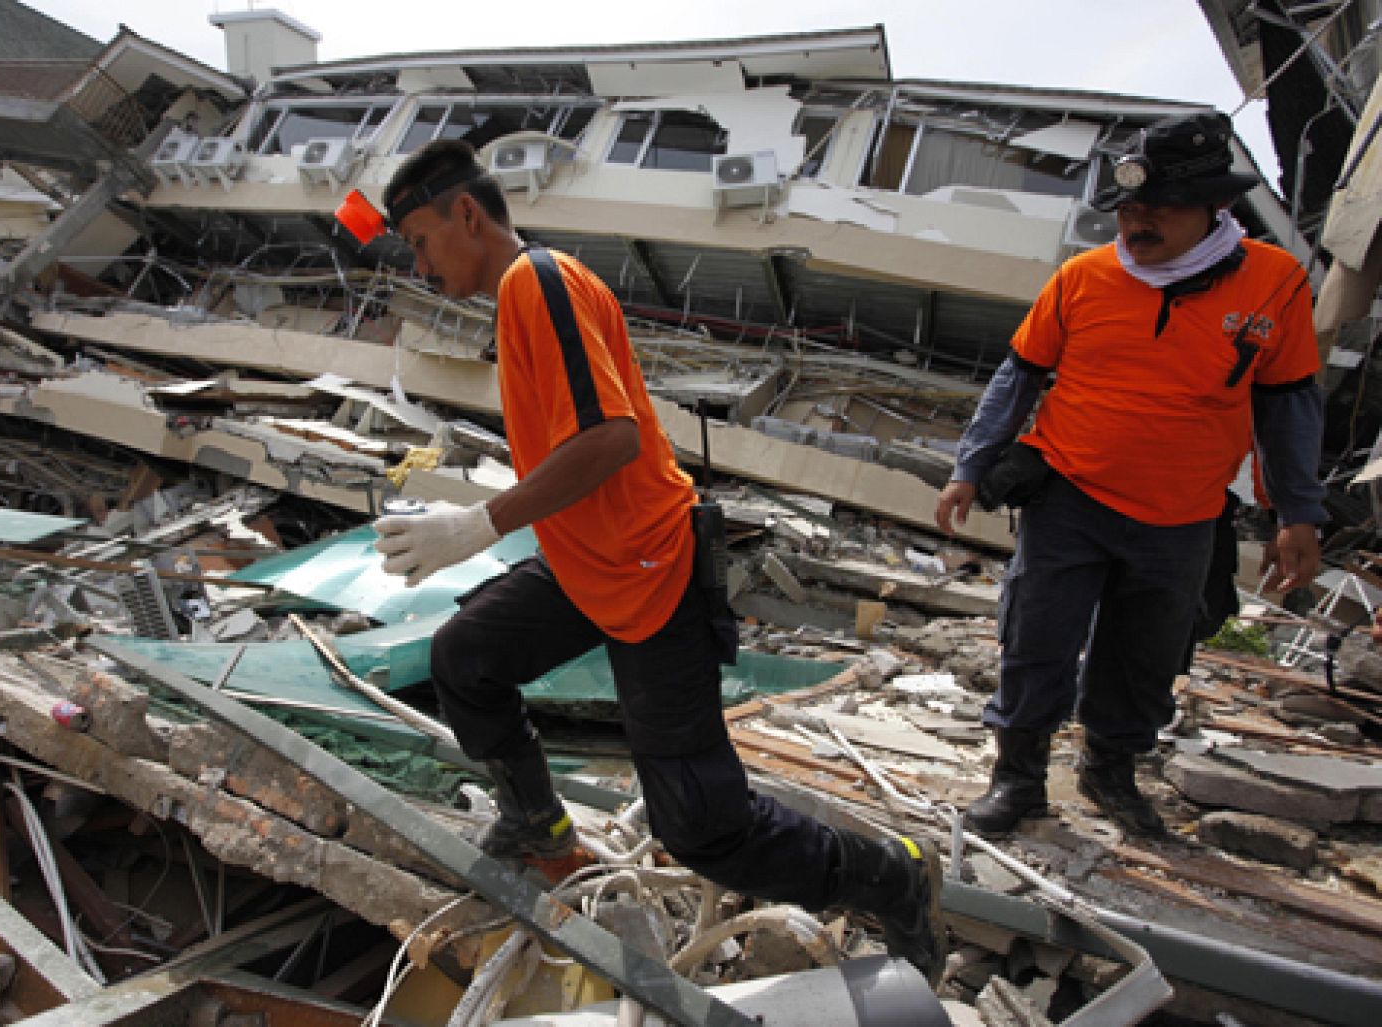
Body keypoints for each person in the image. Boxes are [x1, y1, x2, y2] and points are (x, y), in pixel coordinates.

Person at [370, 139, 946, 983]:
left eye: (420, 240)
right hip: (589, 564)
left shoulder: (540, 282)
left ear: (466, 212)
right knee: (467, 655)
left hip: (651, 570)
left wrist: (480, 525)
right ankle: (542, 829)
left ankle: (892, 874)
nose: (418, 265)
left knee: (706, 828)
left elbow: (610, 439)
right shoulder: (522, 299)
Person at [934, 111, 1327, 839]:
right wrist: (970, 467)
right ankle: (1018, 779)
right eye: (1129, 208)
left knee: (1143, 656)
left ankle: (1109, 771)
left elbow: (1288, 405)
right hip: (1071, 496)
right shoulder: (1083, 278)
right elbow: (1017, 377)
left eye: (1161, 208)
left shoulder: (1275, 285)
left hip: (1181, 514)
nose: (1138, 222)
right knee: (1036, 639)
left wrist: (1296, 514)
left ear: (1215, 207)